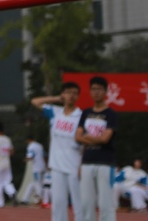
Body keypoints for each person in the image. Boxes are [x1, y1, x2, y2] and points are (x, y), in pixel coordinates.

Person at [32, 81, 83, 221]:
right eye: (68, 92)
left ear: (78, 96)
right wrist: (55, 98)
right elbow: (35, 101)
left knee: (78, 203)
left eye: (75, 93)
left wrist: (82, 164)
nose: (71, 96)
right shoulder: (55, 112)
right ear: (63, 94)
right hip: (57, 166)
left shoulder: (81, 116)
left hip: (74, 165)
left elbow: (85, 143)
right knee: (58, 203)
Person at [75, 75, 118, 221]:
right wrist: (96, 139)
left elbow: (106, 139)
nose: (96, 92)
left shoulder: (110, 114)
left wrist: (88, 137)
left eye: (99, 89)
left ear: (105, 91)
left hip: (105, 163)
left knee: (105, 203)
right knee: (86, 203)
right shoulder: (86, 113)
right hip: (87, 162)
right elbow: (78, 137)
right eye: (93, 89)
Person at [17, 134, 46, 205]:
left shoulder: (31, 146)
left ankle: (40, 199)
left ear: (28, 140)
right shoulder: (40, 145)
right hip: (43, 166)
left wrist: (25, 160)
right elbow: (44, 156)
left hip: (36, 168)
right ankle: (25, 199)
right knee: (33, 184)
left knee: (37, 183)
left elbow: (30, 156)